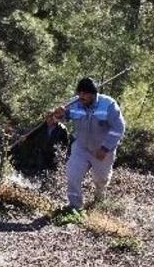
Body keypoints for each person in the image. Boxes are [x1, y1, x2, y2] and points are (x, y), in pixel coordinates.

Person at [52, 77, 126, 211]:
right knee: (72, 174)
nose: (81, 96)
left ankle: (99, 198)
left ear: (93, 93)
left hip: (103, 149)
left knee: (101, 179)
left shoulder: (109, 105)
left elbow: (118, 128)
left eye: (85, 93)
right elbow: (64, 117)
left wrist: (105, 148)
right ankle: (75, 206)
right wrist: (57, 115)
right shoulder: (74, 103)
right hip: (81, 147)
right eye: (79, 93)